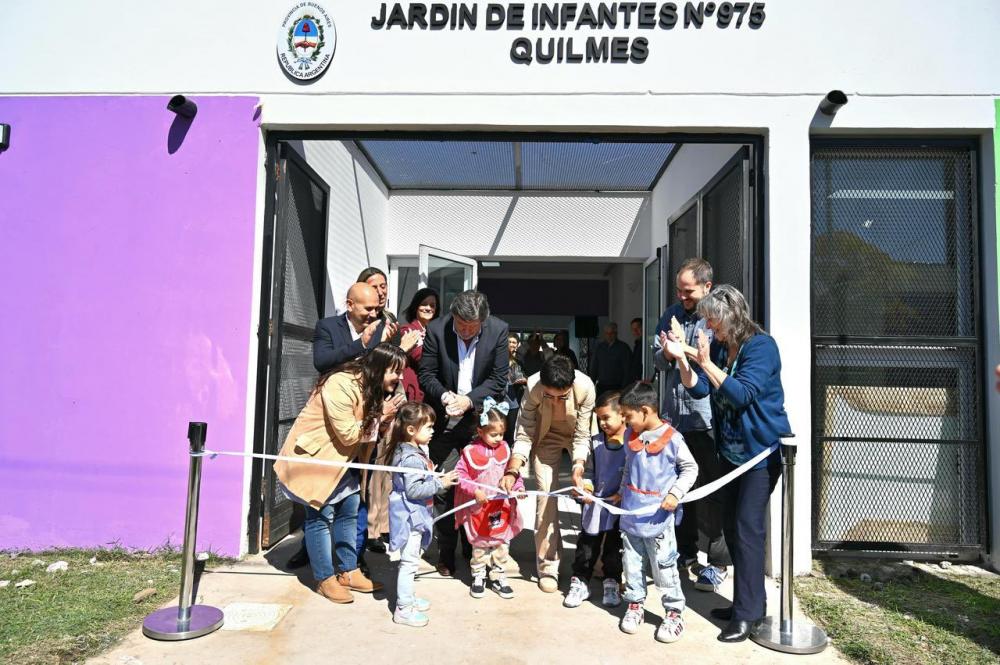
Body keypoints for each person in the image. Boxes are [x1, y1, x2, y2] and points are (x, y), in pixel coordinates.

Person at [664, 284, 790, 643]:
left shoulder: (761, 347)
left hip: (759, 456)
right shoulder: (721, 346)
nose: (708, 326)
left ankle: (748, 615)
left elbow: (741, 394)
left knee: (748, 530)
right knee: (732, 529)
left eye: (713, 320)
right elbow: (701, 389)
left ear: (731, 316)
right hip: (730, 455)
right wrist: (683, 360)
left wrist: (703, 362)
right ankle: (745, 605)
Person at [273, 343, 407, 604]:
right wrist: (381, 415)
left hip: (344, 463)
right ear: (379, 368)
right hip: (316, 460)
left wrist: (383, 420)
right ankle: (324, 578)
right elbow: (347, 434)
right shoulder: (340, 383)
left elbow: (367, 431)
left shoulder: (371, 386)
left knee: (349, 511)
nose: (399, 377)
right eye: (395, 371)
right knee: (319, 518)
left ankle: (348, 571)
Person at [652, 257, 731, 592]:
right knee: (678, 490)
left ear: (707, 287)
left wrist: (681, 347)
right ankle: (685, 553)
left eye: (689, 291)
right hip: (675, 417)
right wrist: (668, 353)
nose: (682, 297)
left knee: (713, 490)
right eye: (679, 291)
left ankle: (717, 562)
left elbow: (715, 363)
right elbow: (657, 359)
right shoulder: (670, 314)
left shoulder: (717, 318)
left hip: (707, 417)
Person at [418, 290, 510, 576]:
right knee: (445, 487)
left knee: (479, 487)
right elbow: (426, 374)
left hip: (478, 423)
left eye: (473, 327)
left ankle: (474, 549)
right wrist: (446, 396)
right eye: (461, 325)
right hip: (444, 420)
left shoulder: (498, 330)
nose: (466, 332)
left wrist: (469, 400)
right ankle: (446, 553)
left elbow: (498, 379)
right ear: (453, 316)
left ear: (483, 321)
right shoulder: (437, 329)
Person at [499, 354, 595, 593]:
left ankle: (596, 559)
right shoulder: (533, 386)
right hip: (546, 438)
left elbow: (583, 434)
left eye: (561, 397)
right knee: (545, 498)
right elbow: (524, 431)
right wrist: (513, 469)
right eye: (549, 396)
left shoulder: (585, 387)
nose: (554, 401)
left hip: (576, 437)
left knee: (591, 497)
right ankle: (548, 566)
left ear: (571, 385)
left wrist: (578, 467)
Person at [616, 381, 698, 643]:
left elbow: (691, 469)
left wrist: (675, 493)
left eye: (628, 416)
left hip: (659, 521)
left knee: (664, 566)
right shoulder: (631, 437)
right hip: (631, 517)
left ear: (645, 410)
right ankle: (635, 604)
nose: (625, 422)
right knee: (632, 564)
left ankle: (674, 612)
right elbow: (629, 468)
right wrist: (621, 492)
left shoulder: (673, 440)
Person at [386, 402, 459, 627]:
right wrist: (440, 483)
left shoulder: (411, 451)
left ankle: (408, 598)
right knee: (409, 563)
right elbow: (414, 490)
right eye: (428, 427)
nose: (432, 431)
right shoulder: (411, 458)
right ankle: (403, 609)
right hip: (410, 517)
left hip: (414, 514)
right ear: (411, 429)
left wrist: (431, 475)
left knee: (412, 560)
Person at [454, 397, 525, 599]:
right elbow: (461, 476)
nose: (498, 438)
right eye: (494, 434)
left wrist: (518, 487)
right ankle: (478, 576)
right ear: (480, 431)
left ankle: (499, 576)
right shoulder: (470, 452)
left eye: (501, 434)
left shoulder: (505, 449)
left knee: (501, 543)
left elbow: (513, 473)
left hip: (501, 507)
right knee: (480, 545)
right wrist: (475, 490)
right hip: (479, 508)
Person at [564, 390, 626, 610]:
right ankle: (580, 581)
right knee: (586, 546)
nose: (602, 423)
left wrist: (623, 493)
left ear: (623, 415)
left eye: (606, 417)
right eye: (599, 419)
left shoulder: (633, 443)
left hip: (619, 508)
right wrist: (586, 488)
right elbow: (589, 471)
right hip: (595, 506)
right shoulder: (595, 443)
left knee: (614, 549)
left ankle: (612, 582)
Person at [399, 287, 440, 402]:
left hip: (434, 391)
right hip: (415, 392)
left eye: (432, 305)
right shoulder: (408, 330)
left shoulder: (438, 331)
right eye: (424, 304)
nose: (428, 308)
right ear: (416, 306)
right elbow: (421, 358)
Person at [589, 322, 632, 395]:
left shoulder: (624, 348)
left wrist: (624, 387)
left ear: (616, 333)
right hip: (602, 386)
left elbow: (627, 369)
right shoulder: (599, 347)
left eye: (611, 333)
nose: (609, 335)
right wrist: (591, 383)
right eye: (607, 333)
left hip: (617, 386)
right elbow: (594, 366)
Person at [505, 334, 528, 438]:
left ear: (517, 345)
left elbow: (525, 376)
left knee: (511, 430)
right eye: (509, 342)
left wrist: (524, 380)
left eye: (514, 342)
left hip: (514, 400)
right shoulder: (499, 359)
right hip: (500, 400)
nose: (511, 344)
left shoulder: (519, 361)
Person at [629, 317, 644, 382]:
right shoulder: (637, 344)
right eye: (633, 329)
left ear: (643, 328)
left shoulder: (646, 344)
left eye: (638, 328)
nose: (635, 331)